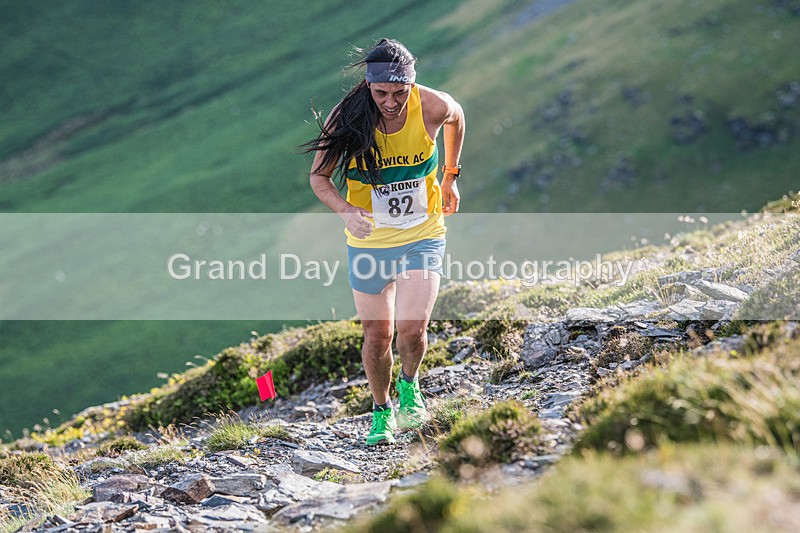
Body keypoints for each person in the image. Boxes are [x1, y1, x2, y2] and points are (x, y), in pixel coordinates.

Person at [304, 38, 465, 445]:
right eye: (381, 93)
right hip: (370, 243)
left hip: (423, 235)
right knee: (378, 335)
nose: (391, 102)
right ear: (368, 85)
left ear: (412, 83)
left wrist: (450, 176)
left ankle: (409, 387)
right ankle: (381, 410)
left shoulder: (431, 105)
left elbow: (457, 117)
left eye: (399, 92)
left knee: (412, 329)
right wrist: (345, 210)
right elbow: (318, 178)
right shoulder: (346, 118)